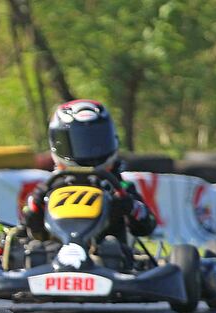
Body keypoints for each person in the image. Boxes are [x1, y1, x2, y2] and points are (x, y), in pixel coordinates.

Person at [22, 100, 157, 264]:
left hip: (110, 259)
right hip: (56, 257)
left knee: (114, 249)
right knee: (36, 251)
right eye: (79, 142)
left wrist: (130, 206)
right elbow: (29, 228)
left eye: (96, 142)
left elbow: (147, 224)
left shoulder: (119, 187)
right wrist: (34, 209)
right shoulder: (50, 188)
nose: (88, 150)